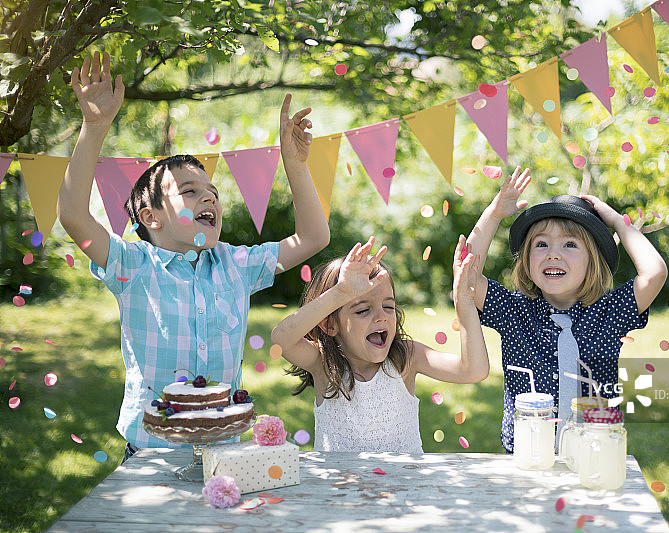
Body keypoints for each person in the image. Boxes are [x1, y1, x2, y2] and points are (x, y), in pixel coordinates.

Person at [57, 52, 330, 460]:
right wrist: (94, 127)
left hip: (225, 450)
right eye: (188, 191)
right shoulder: (133, 266)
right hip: (151, 451)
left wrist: (295, 163)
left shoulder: (237, 265)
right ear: (151, 217)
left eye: (212, 193)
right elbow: (74, 217)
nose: (208, 197)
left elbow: (313, 236)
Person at [466, 167, 667, 453]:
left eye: (570, 244)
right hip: (528, 454)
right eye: (542, 244)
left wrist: (616, 222)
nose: (553, 253)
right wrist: (494, 213)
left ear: (592, 261)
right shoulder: (514, 312)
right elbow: (467, 276)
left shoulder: (610, 312)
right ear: (526, 260)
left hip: (595, 452)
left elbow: (655, 273)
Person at [270, 235, 489, 453]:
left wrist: (465, 302)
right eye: (363, 310)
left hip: (403, 485)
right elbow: (281, 339)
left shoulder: (406, 358)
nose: (381, 317)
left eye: (389, 306)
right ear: (329, 325)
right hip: (340, 486)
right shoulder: (323, 365)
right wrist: (340, 293)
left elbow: (473, 370)